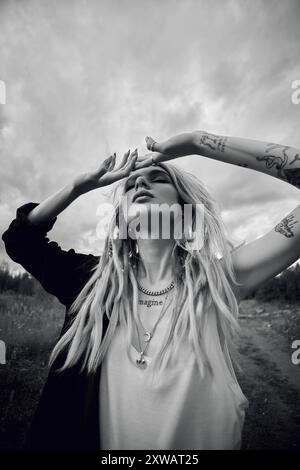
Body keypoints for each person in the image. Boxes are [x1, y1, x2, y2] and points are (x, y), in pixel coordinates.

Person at [2, 131, 300, 450]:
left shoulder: (217, 280)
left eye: (157, 178)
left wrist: (198, 143)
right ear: (121, 218)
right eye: (130, 185)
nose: (140, 184)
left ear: (185, 205)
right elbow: (21, 241)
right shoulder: (89, 283)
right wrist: (79, 187)